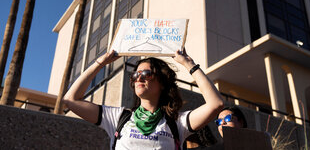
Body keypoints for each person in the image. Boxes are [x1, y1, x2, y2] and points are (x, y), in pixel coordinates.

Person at [63, 49, 224, 149]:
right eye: (135, 74)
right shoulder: (117, 117)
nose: (139, 78)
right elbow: (71, 100)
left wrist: (189, 64)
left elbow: (216, 104)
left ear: (162, 82)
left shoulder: (178, 122)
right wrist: (100, 63)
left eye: (146, 74)